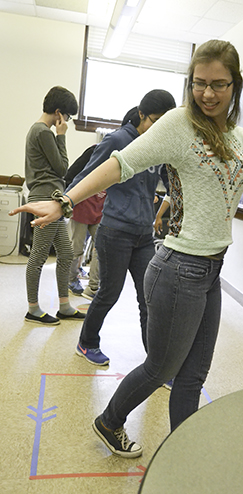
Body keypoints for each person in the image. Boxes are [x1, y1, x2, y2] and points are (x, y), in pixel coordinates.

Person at [10, 40, 243, 457]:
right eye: (199, 83)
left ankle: (183, 448)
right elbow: (120, 163)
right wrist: (65, 202)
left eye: (219, 84)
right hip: (178, 267)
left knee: (194, 372)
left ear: (235, 85)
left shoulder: (240, 138)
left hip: (210, 269)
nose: (208, 93)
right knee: (161, 366)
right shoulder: (178, 125)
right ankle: (110, 421)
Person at [66, 90, 176, 365]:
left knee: (149, 298)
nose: (160, 128)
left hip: (143, 235)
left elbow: (172, 180)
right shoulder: (117, 140)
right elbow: (85, 174)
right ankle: (87, 343)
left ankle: (155, 362)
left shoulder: (157, 145)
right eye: (155, 120)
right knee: (108, 293)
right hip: (114, 232)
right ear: (141, 115)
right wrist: (62, 203)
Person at [24, 86, 85, 325]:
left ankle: (64, 306)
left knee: (67, 253)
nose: (67, 121)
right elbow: (62, 169)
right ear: (59, 113)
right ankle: (32, 308)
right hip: (45, 199)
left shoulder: (38, 130)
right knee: (39, 256)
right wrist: (62, 135)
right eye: (68, 116)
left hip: (52, 198)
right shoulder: (44, 132)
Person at [65, 145, 106, 299]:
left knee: (101, 248)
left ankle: (94, 286)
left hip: (101, 208)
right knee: (76, 247)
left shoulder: (119, 156)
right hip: (82, 207)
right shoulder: (94, 151)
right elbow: (70, 175)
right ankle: (71, 280)